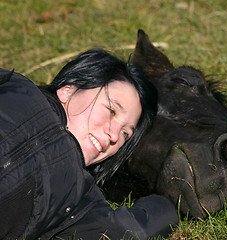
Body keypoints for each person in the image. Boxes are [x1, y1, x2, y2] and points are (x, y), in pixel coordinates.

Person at [0, 49, 178, 239]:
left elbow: (130, 231)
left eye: (125, 133)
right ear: (68, 90)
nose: (114, 136)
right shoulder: (16, 87)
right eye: (111, 110)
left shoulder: (78, 199)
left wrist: (169, 199)